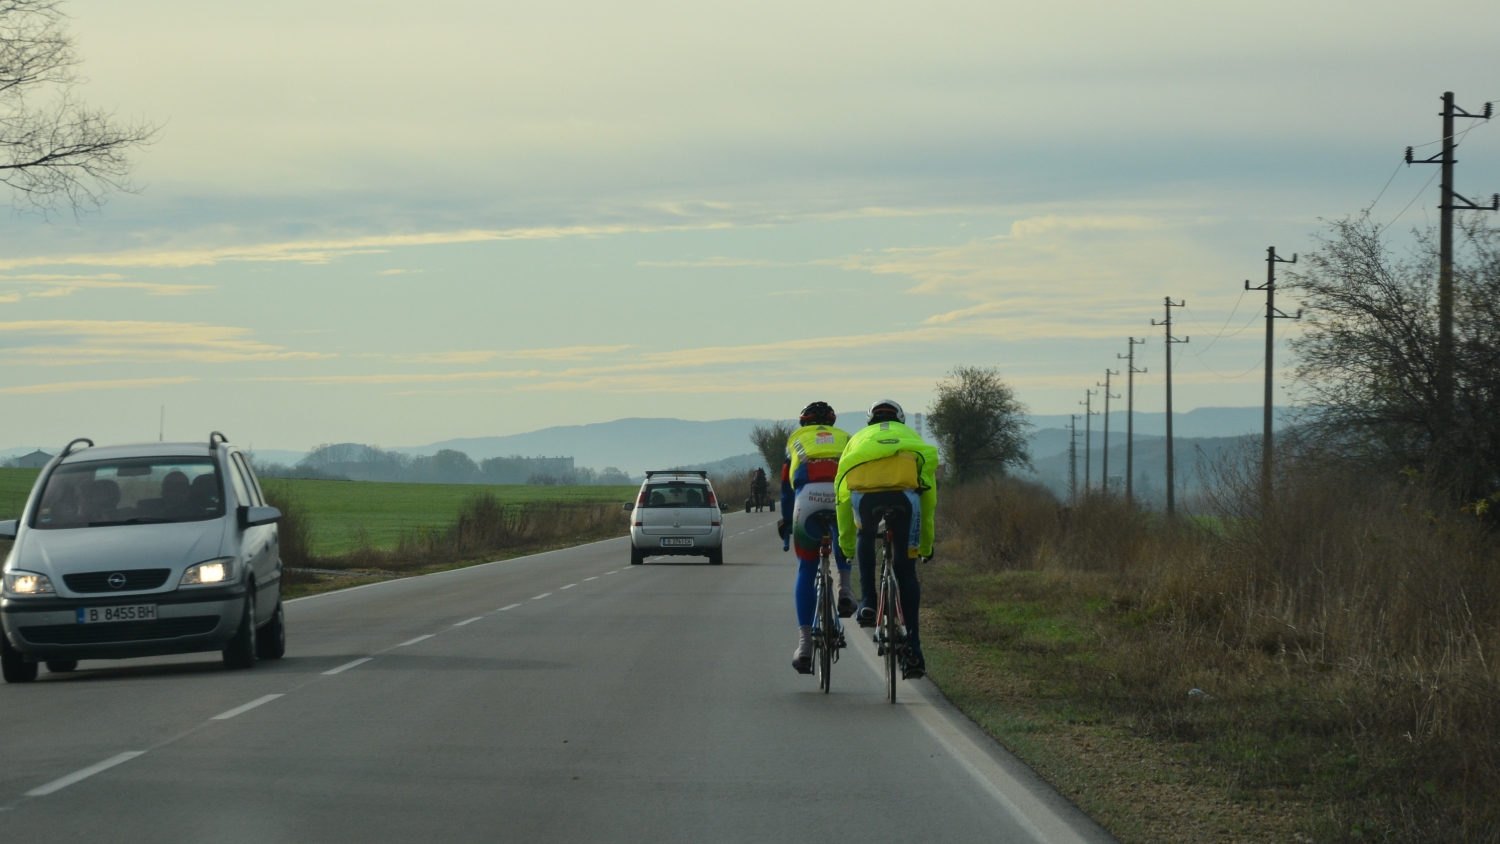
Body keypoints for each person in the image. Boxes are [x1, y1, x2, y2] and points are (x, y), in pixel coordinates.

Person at [834, 399, 939, 679]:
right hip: (904, 498)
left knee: (866, 533)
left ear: (870, 422)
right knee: (906, 571)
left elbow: (841, 495)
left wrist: (846, 546)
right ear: (900, 420)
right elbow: (928, 497)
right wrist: (925, 545)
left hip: (865, 498)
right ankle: (914, 650)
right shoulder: (911, 437)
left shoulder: (858, 439)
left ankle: (868, 601)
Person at [778, 400, 853, 674]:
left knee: (807, 567)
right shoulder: (846, 438)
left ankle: (805, 644)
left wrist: (788, 523)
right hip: (840, 496)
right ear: (831, 422)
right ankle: (845, 588)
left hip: (807, 499)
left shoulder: (795, 440)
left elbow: (786, 489)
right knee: (844, 541)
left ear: (804, 423)